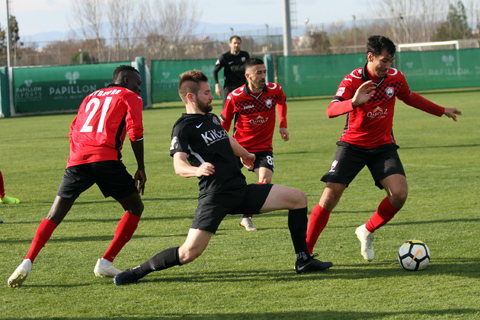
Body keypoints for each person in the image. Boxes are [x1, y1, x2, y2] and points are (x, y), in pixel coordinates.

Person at [114, 70, 332, 286]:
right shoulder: (183, 127)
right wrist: (196, 170)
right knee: (189, 253)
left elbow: (226, 138)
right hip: (215, 196)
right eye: (207, 93)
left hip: (240, 190)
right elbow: (178, 165)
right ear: (191, 97)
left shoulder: (211, 118)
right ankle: (137, 272)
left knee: (298, 198)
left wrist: (245, 154)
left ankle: (303, 261)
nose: (212, 96)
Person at [306, 35, 462, 262]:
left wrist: (441, 110)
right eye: (384, 61)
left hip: (383, 146)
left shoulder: (395, 78)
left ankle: (367, 230)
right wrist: (354, 102)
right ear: (370, 57)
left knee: (399, 195)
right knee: (329, 197)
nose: (388, 66)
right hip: (352, 145)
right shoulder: (352, 81)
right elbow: (331, 110)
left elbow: (409, 97)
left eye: (391, 61)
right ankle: (305, 254)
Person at [8, 65, 147, 288]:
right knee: (135, 208)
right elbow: (135, 130)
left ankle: (27, 260)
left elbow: (73, 129)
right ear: (127, 79)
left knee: (55, 213)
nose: (139, 89)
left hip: (77, 159)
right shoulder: (129, 96)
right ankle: (106, 261)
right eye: (138, 84)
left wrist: (76, 157)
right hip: (105, 158)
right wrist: (140, 166)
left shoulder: (90, 96)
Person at [221, 57, 289, 231]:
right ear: (248, 76)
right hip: (239, 148)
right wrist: (222, 145)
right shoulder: (235, 97)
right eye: (258, 73)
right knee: (225, 183)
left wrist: (283, 125)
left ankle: (246, 217)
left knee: (265, 181)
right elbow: (224, 124)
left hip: (263, 147)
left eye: (264, 72)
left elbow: (282, 101)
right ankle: (213, 216)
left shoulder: (274, 90)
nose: (263, 76)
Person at [213, 35, 250, 108]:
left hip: (242, 88)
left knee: (242, 113)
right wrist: (217, 85)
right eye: (234, 43)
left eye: (238, 43)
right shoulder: (224, 57)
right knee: (225, 114)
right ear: (230, 44)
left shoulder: (245, 55)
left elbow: (249, 69)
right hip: (229, 88)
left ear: (241, 44)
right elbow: (215, 71)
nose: (236, 45)